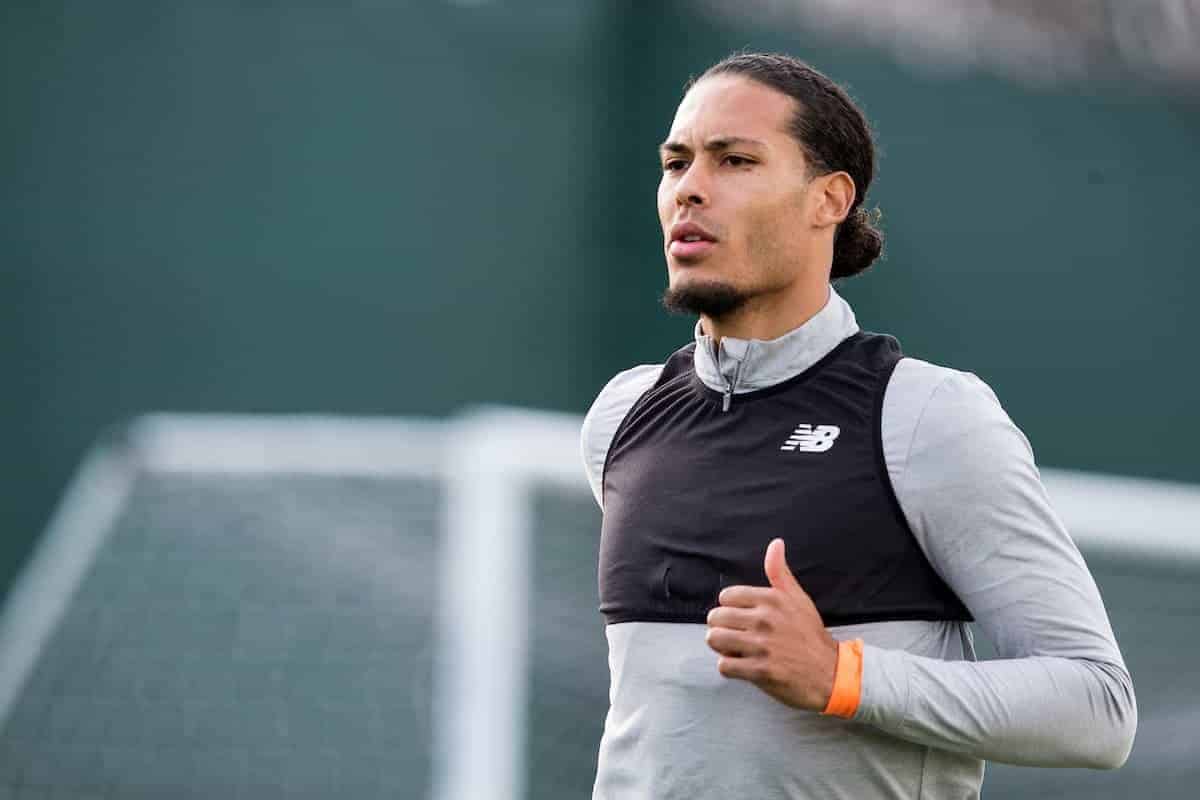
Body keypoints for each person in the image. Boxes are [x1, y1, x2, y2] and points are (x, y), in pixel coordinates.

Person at [579, 53, 1135, 800]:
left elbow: (1098, 710)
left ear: (829, 200)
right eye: (675, 163)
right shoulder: (620, 419)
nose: (691, 189)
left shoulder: (926, 417)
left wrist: (842, 676)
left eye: (735, 160)